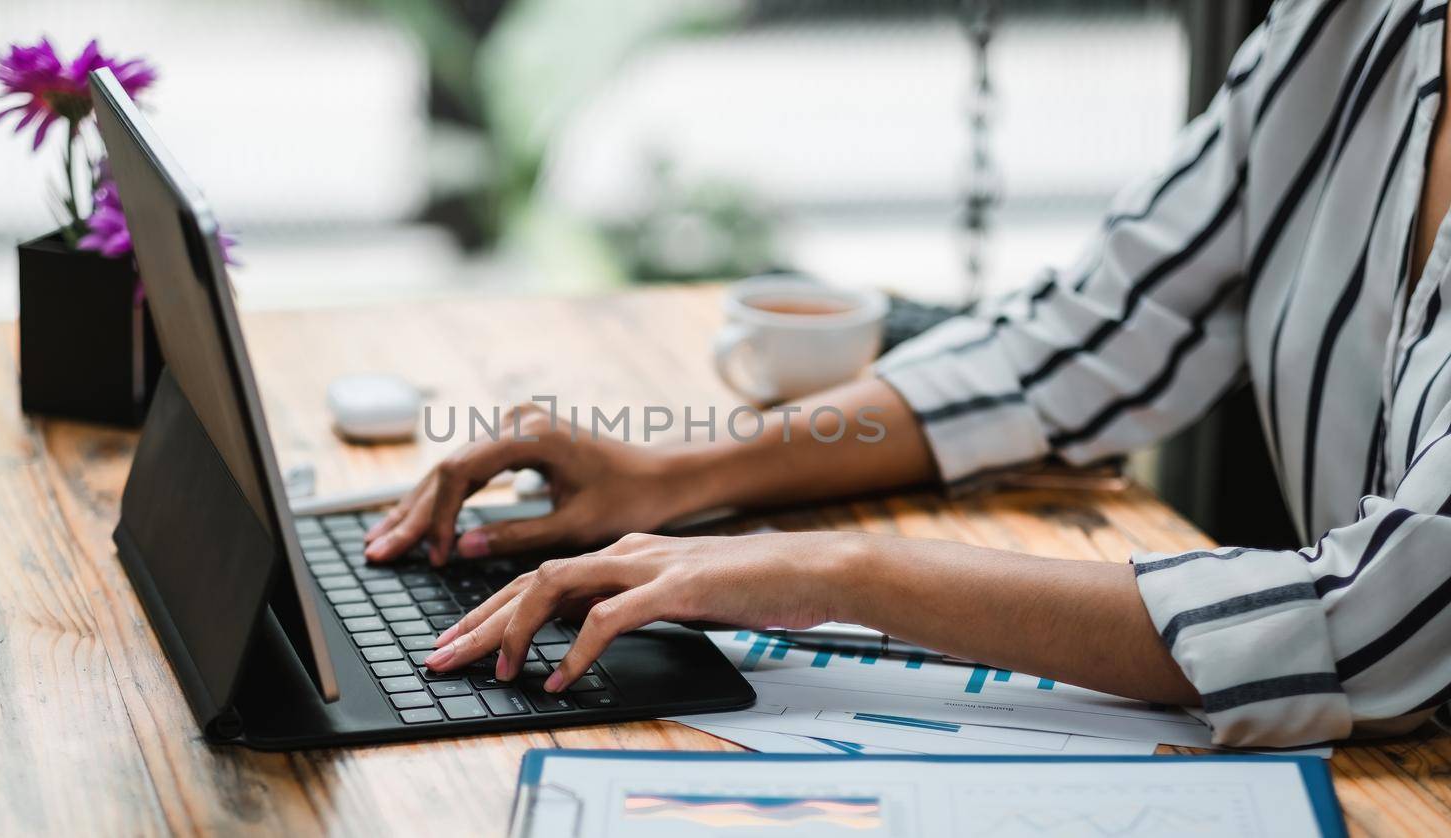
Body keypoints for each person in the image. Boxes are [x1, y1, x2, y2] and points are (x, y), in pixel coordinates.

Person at [364, 0, 1451, 748]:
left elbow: (1376, 626)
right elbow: (1078, 337)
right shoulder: (1361, 23)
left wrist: (840, 573)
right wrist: (670, 477)